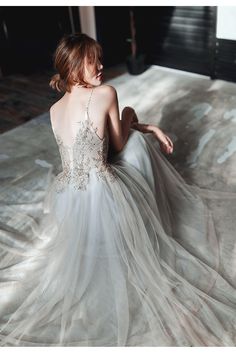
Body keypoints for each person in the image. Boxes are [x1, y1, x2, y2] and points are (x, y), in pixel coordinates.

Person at [0, 32, 236, 347]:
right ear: (72, 67)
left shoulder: (55, 110)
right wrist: (139, 121)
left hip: (70, 194)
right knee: (137, 143)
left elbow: (88, 148)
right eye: (91, 62)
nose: (100, 66)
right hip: (102, 188)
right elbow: (119, 143)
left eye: (99, 58)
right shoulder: (107, 92)